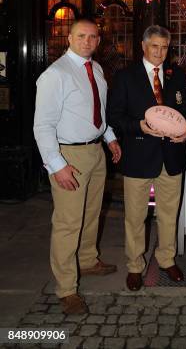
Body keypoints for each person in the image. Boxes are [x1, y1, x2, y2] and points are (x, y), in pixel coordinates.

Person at [33, 18, 121, 315]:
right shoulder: (54, 75)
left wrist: (109, 138)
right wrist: (57, 165)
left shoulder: (95, 69)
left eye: (93, 37)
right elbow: (42, 126)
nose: (87, 41)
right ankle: (67, 288)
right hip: (68, 154)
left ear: (99, 41)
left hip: (95, 151)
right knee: (68, 222)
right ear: (68, 38)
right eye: (81, 36)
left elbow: (98, 112)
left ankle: (87, 259)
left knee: (92, 212)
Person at [107, 25, 186, 291]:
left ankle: (166, 259)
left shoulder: (177, 75)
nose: (159, 52)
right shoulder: (125, 77)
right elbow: (114, 116)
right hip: (139, 155)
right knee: (135, 216)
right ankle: (135, 265)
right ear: (143, 47)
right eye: (154, 46)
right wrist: (138, 126)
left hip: (172, 156)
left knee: (169, 214)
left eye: (164, 47)